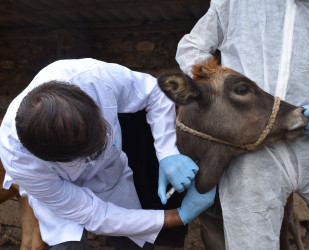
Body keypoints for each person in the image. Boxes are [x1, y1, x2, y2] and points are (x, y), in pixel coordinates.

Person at [176, 0, 309, 249]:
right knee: (251, 241)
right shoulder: (236, 4)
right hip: (252, 151)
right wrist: (219, 89)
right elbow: (192, 48)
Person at [0, 58, 216, 249]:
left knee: (135, 243)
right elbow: (96, 215)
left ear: (80, 91)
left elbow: (155, 92)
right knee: (69, 245)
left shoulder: (93, 77)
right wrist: (180, 215)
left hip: (110, 174)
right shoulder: (21, 161)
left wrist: (167, 152)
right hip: (58, 194)